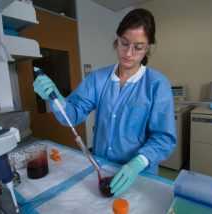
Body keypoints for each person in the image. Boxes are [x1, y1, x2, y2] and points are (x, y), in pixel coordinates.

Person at [33, 8, 176, 197]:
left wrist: (138, 162)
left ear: (148, 47)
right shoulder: (98, 79)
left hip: (138, 175)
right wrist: (56, 99)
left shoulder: (157, 84)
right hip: (102, 168)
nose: (129, 53)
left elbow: (164, 138)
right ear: (117, 40)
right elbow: (73, 115)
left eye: (138, 47)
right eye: (124, 43)